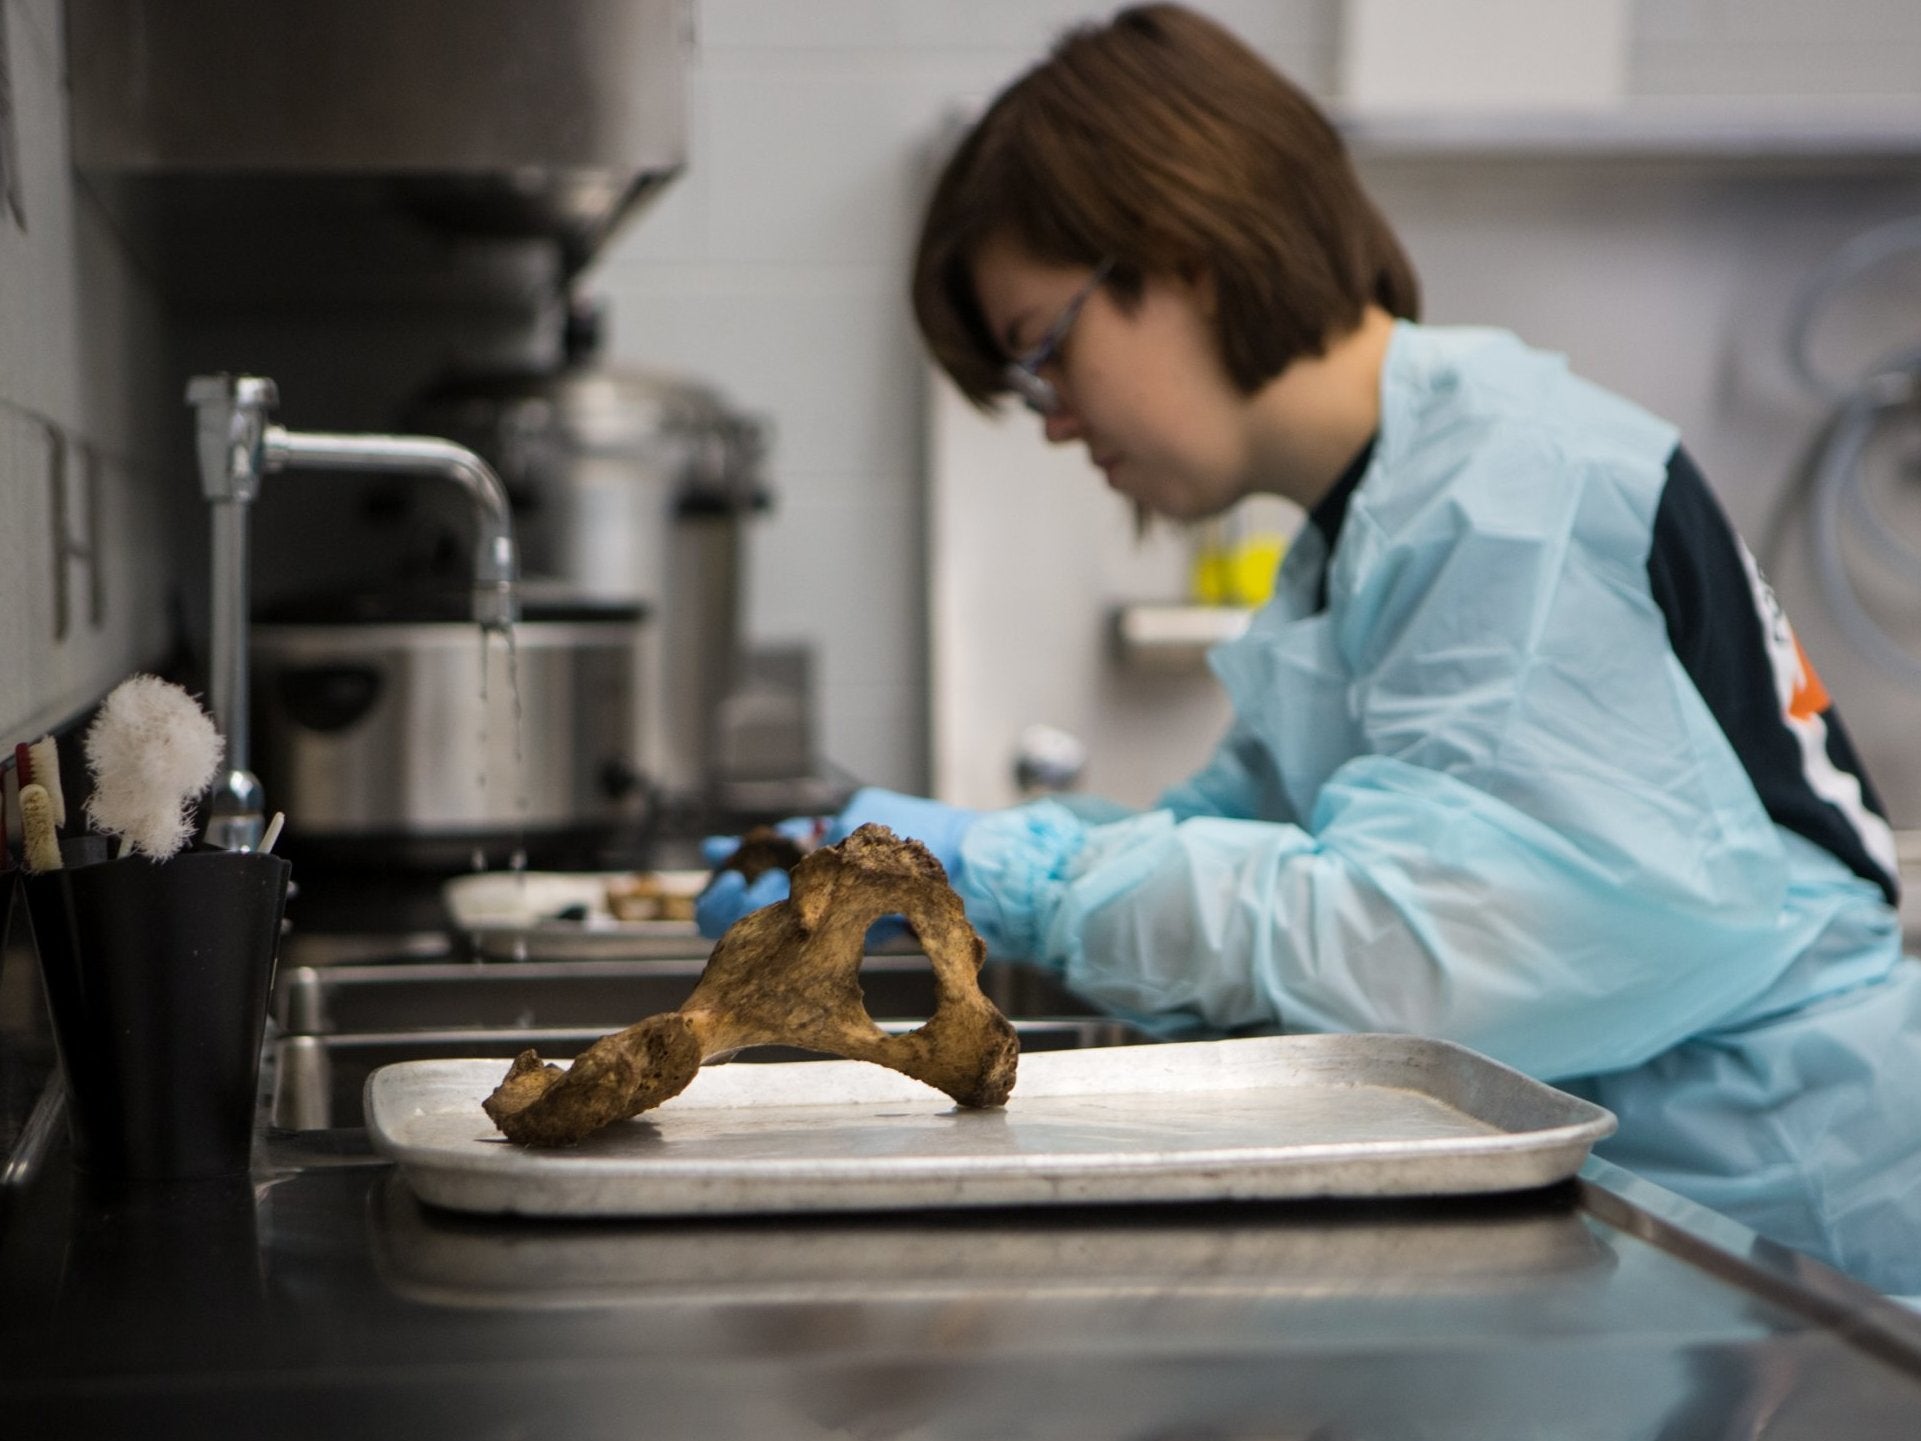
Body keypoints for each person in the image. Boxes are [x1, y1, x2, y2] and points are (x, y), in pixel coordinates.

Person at [698, 3, 1921, 1298]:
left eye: (1041, 354)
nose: (1052, 424)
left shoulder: (1509, 490)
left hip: (1795, 1241)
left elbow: (1420, 952)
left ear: (1177, 249)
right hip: (1671, 1217)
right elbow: (1253, 875)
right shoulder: (1365, 533)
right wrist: (962, 888)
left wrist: (1016, 871)